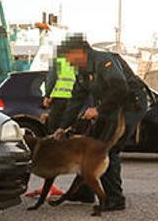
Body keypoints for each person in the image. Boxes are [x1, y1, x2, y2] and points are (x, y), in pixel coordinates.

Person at [57, 34, 149, 212]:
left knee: (107, 148)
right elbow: (76, 99)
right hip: (111, 106)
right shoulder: (83, 71)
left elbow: (120, 88)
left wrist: (98, 110)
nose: (67, 61)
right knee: (89, 146)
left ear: (78, 52)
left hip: (130, 104)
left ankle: (115, 199)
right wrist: (63, 126)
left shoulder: (103, 61)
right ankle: (85, 191)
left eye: (67, 56)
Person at [42, 53, 77, 131]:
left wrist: (47, 96)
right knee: (68, 126)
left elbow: (51, 79)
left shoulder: (58, 61)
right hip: (74, 99)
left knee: (54, 127)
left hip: (59, 99)